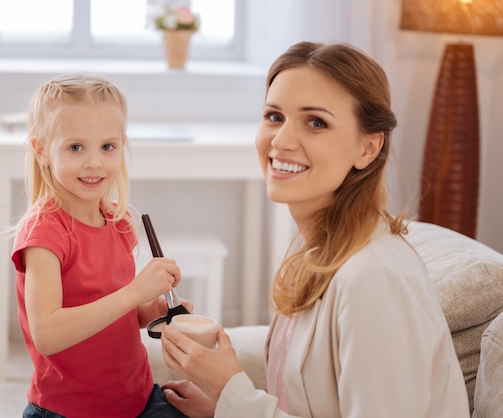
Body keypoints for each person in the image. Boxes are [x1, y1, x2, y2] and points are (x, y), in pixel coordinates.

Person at [159, 41, 470, 418]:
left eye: (316, 122)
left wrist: (232, 391)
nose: (282, 140)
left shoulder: (374, 279)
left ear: (368, 148)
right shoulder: (317, 249)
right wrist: (223, 405)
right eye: (274, 116)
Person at [11, 74, 189, 418]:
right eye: (75, 147)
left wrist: (148, 310)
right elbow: (47, 333)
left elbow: (111, 312)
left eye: (107, 147)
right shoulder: (44, 233)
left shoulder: (119, 222)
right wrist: (135, 292)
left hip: (136, 398)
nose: (94, 162)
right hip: (67, 410)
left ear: (122, 145)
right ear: (42, 151)